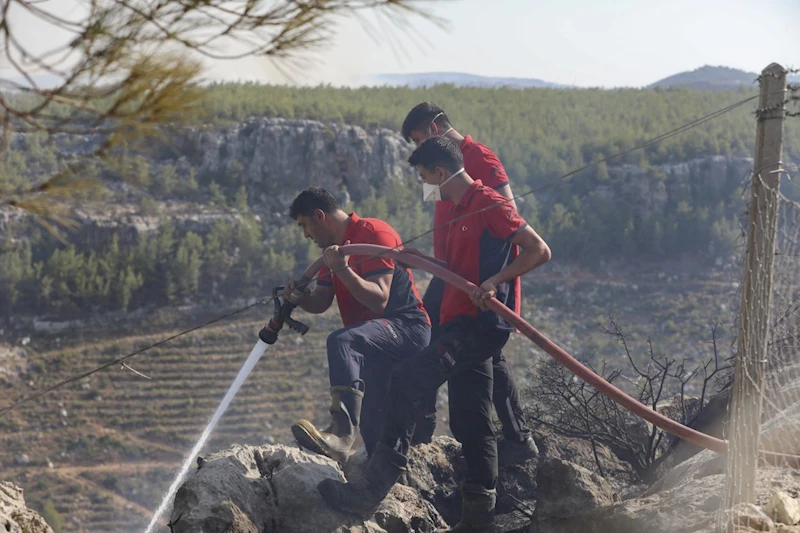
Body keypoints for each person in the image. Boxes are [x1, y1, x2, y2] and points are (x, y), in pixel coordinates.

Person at [318, 137, 551, 532]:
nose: (426, 185)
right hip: (460, 321)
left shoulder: (487, 202)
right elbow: (457, 267)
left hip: (477, 326)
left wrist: (495, 281)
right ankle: (479, 519)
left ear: (441, 173)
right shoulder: (459, 209)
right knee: (471, 420)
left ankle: (370, 490)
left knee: (407, 378)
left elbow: (538, 250)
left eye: (426, 177)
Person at [400, 101, 539, 466]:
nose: (418, 150)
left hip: (474, 279)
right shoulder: (437, 165)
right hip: (452, 270)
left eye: (417, 138)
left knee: (432, 331)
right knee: (481, 351)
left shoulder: (479, 158)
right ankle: (517, 436)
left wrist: (492, 283)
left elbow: (509, 223)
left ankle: (421, 430)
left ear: (433, 128)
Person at [285, 187, 431, 463]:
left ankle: (340, 433)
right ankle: (383, 488)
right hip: (375, 343)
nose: (306, 235)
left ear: (319, 215)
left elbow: (379, 300)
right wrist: (301, 297)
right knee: (374, 427)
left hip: (406, 328)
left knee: (342, 341)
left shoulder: (374, 233)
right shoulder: (333, 253)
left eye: (305, 226)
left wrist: (343, 268)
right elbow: (320, 302)